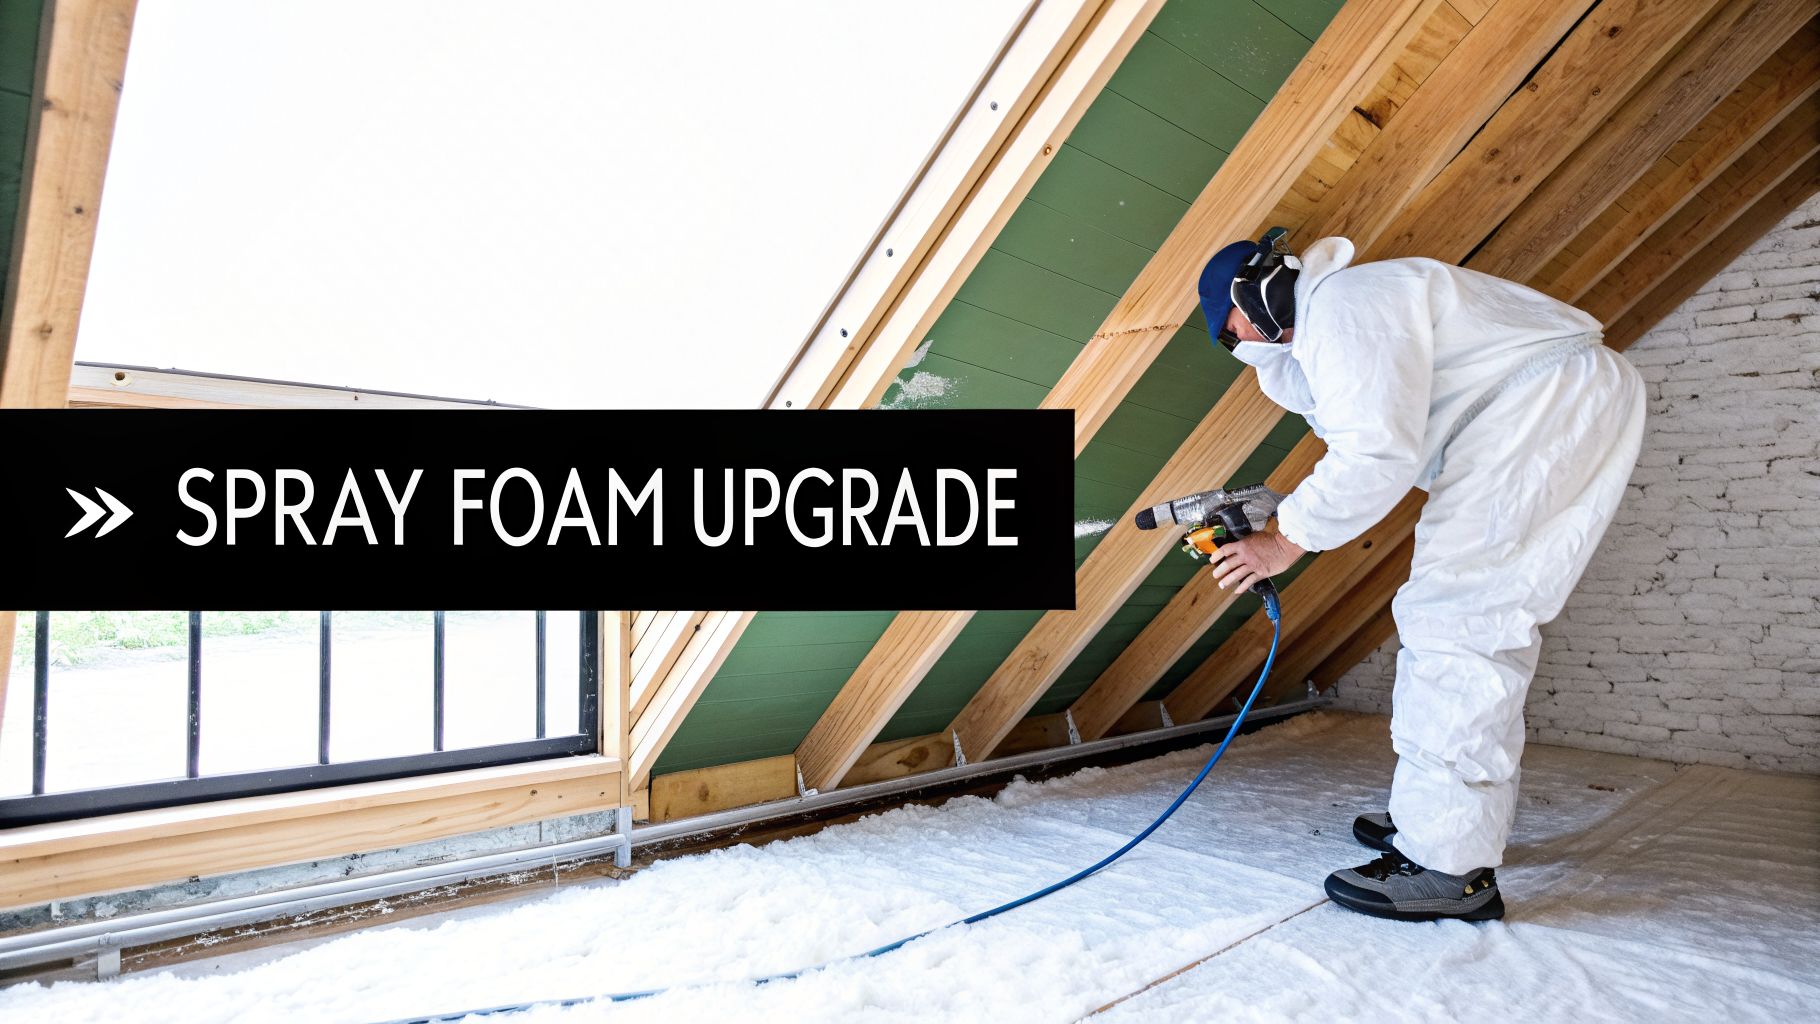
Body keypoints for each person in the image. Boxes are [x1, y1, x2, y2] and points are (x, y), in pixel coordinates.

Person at [1193, 231, 1646, 921]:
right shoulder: (1347, 316)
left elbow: (1376, 455)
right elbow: (1372, 439)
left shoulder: (1342, 303)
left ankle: (1447, 864)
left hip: (1532, 409)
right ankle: (1438, 818)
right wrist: (1290, 512)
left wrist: (1281, 542)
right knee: (1469, 618)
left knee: (1459, 621)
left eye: (1234, 329)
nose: (1244, 344)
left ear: (1253, 289)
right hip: (1541, 405)